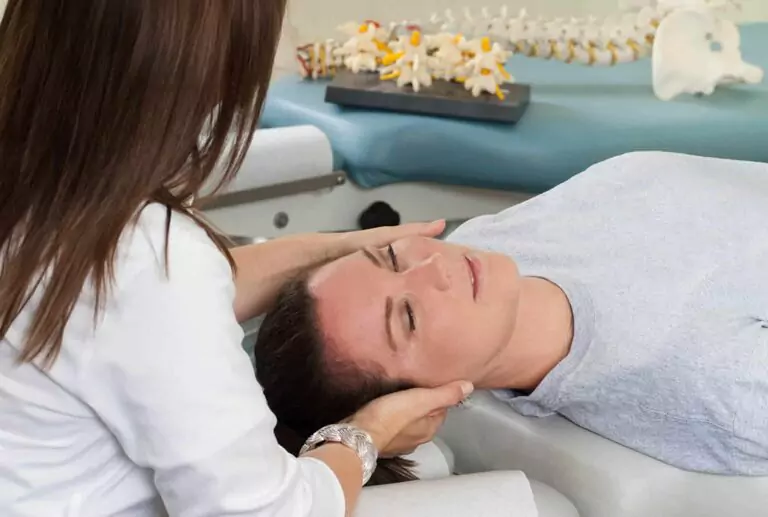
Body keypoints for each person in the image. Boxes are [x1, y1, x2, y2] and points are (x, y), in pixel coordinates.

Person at [0, 2, 474, 516]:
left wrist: (344, 247)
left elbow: (119, 311)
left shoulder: (45, 198)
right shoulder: (147, 262)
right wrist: (368, 434)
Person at [254, 151, 768, 481]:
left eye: (389, 257)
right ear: (424, 408)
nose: (433, 264)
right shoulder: (714, 386)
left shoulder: (488, 245)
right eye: (408, 317)